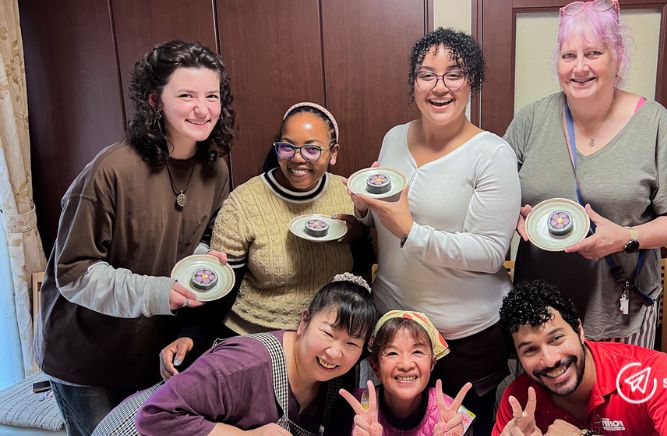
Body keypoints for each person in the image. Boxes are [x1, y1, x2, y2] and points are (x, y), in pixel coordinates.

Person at [33, 40, 235, 435]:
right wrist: (161, 292)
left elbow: (206, 234)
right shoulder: (111, 170)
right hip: (85, 356)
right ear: (155, 101)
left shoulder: (216, 169)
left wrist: (203, 260)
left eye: (211, 96)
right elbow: (74, 274)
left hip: (148, 346)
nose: (202, 109)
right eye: (186, 95)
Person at [350, 27, 521, 434]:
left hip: (464, 337)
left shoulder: (492, 154)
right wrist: (363, 209)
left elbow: (489, 254)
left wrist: (411, 231)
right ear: (413, 83)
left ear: (471, 82)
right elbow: (384, 219)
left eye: (454, 74)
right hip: (393, 330)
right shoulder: (394, 138)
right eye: (427, 75)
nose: (439, 87)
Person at [504, 0, 667, 348]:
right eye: (569, 55)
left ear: (617, 57)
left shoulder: (653, 123)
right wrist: (512, 214)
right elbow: (496, 195)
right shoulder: (531, 120)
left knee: (620, 385)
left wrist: (625, 237)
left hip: (620, 310)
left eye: (593, 53)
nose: (579, 67)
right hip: (541, 316)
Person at [159, 102, 373, 379]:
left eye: (312, 149)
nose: (298, 158)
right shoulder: (244, 203)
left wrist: (359, 236)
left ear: (333, 153)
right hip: (254, 343)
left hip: (326, 351)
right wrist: (191, 335)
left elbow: (362, 277)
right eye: (287, 147)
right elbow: (220, 288)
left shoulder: (347, 195)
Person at [135, 273, 379, 435]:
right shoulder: (244, 363)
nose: (335, 353)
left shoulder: (337, 383)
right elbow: (155, 415)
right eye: (327, 333)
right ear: (304, 321)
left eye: (351, 343)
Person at [493, 280, 667, 436]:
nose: (550, 359)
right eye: (530, 350)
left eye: (556, 338)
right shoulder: (518, 402)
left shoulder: (650, 372)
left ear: (579, 330)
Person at [340, 310, 475, 435]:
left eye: (417, 352)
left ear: (432, 363)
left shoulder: (454, 418)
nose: (406, 365)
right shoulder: (353, 409)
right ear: (375, 366)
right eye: (392, 353)